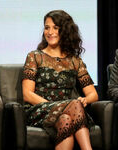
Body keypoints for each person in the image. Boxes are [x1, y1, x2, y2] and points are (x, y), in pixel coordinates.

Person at [22, 10, 98, 150]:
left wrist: (85, 100)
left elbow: (93, 94)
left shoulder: (75, 61)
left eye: (55, 28)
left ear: (65, 31)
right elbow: (27, 94)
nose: (50, 32)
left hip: (67, 112)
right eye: (47, 27)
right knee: (73, 106)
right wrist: (55, 106)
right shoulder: (34, 56)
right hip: (39, 111)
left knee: (66, 119)